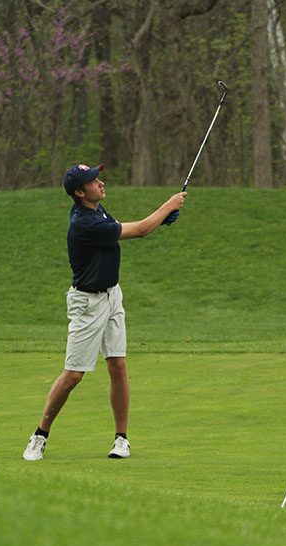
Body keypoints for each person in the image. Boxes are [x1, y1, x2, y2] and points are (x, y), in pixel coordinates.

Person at [22, 163, 186, 461]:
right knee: (73, 375)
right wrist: (168, 206)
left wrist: (162, 219)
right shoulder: (84, 222)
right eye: (92, 181)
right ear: (79, 192)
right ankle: (39, 435)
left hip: (112, 296)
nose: (100, 183)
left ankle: (121, 439)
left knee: (118, 365)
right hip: (87, 304)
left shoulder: (98, 212)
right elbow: (140, 230)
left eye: (98, 178)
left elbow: (128, 227)